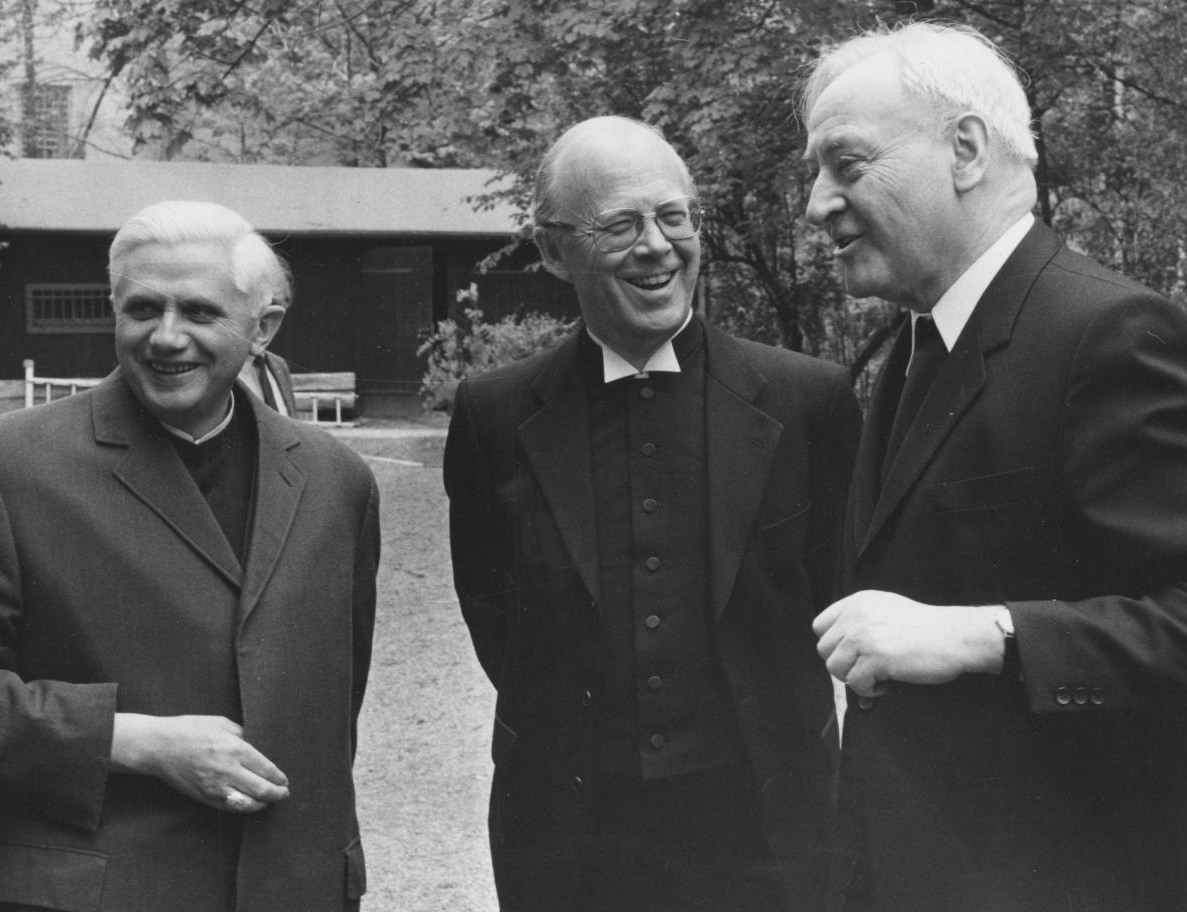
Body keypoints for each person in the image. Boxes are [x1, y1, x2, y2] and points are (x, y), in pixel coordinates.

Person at [802, 21, 1187, 912]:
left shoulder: (1108, 335)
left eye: (846, 165)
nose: (817, 203)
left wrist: (983, 635)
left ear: (964, 150)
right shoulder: (917, 344)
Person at [444, 115, 860, 912]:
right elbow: (493, 612)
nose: (658, 246)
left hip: (768, 823)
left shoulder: (810, 400)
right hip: (571, 829)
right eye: (621, 225)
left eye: (674, 217)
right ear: (552, 250)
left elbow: (837, 595)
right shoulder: (492, 414)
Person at [0, 200, 379, 911]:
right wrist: (133, 741)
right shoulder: (0, 466)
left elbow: (333, 711)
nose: (166, 338)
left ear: (262, 327)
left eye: (200, 313)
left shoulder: (338, 480)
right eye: (143, 308)